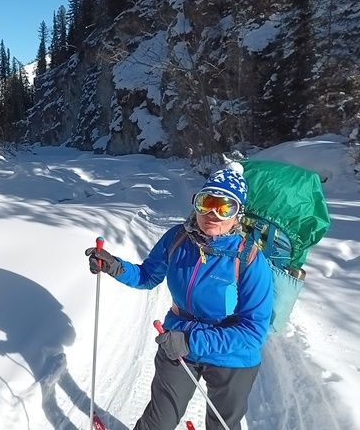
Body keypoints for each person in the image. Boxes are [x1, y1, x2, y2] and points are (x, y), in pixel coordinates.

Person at [85, 163, 273, 430]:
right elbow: (147, 276)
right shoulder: (177, 238)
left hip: (232, 355)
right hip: (177, 340)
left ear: (237, 215)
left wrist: (191, 340)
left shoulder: (250, 259)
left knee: (223, 425)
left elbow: (253, 332)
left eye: (224, 207)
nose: (212, 214)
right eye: (206, 202)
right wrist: (115, 266)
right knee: (157, 422)